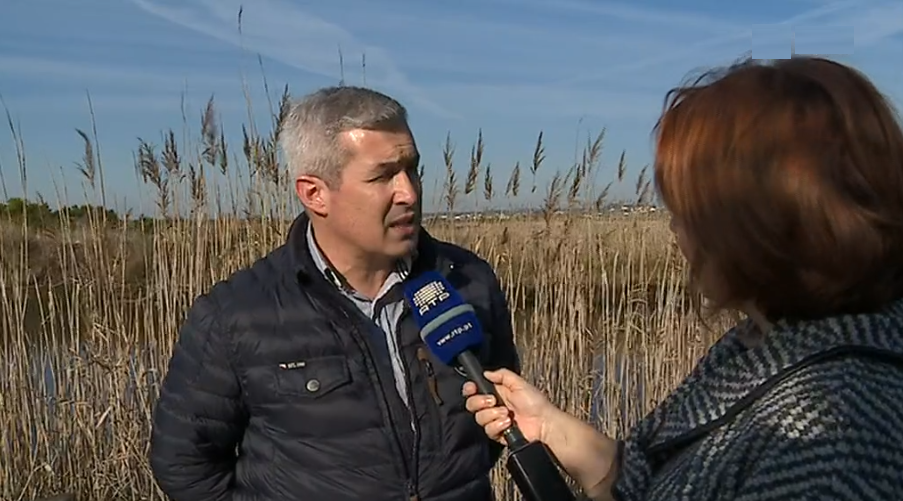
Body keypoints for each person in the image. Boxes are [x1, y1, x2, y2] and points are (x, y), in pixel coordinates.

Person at [464, 56, 903, 500]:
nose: (676, 230)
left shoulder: (828, 442)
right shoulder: (764, 343)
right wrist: (550, 427)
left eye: (688, 208)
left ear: (758, 222)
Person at [148, 85, 521, 501]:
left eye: (411, 169)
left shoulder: (468, 280)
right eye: (382, 176)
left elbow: (498, 420)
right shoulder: (235, 314)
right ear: (314, 193)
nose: (409, 193)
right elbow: (183, 462)